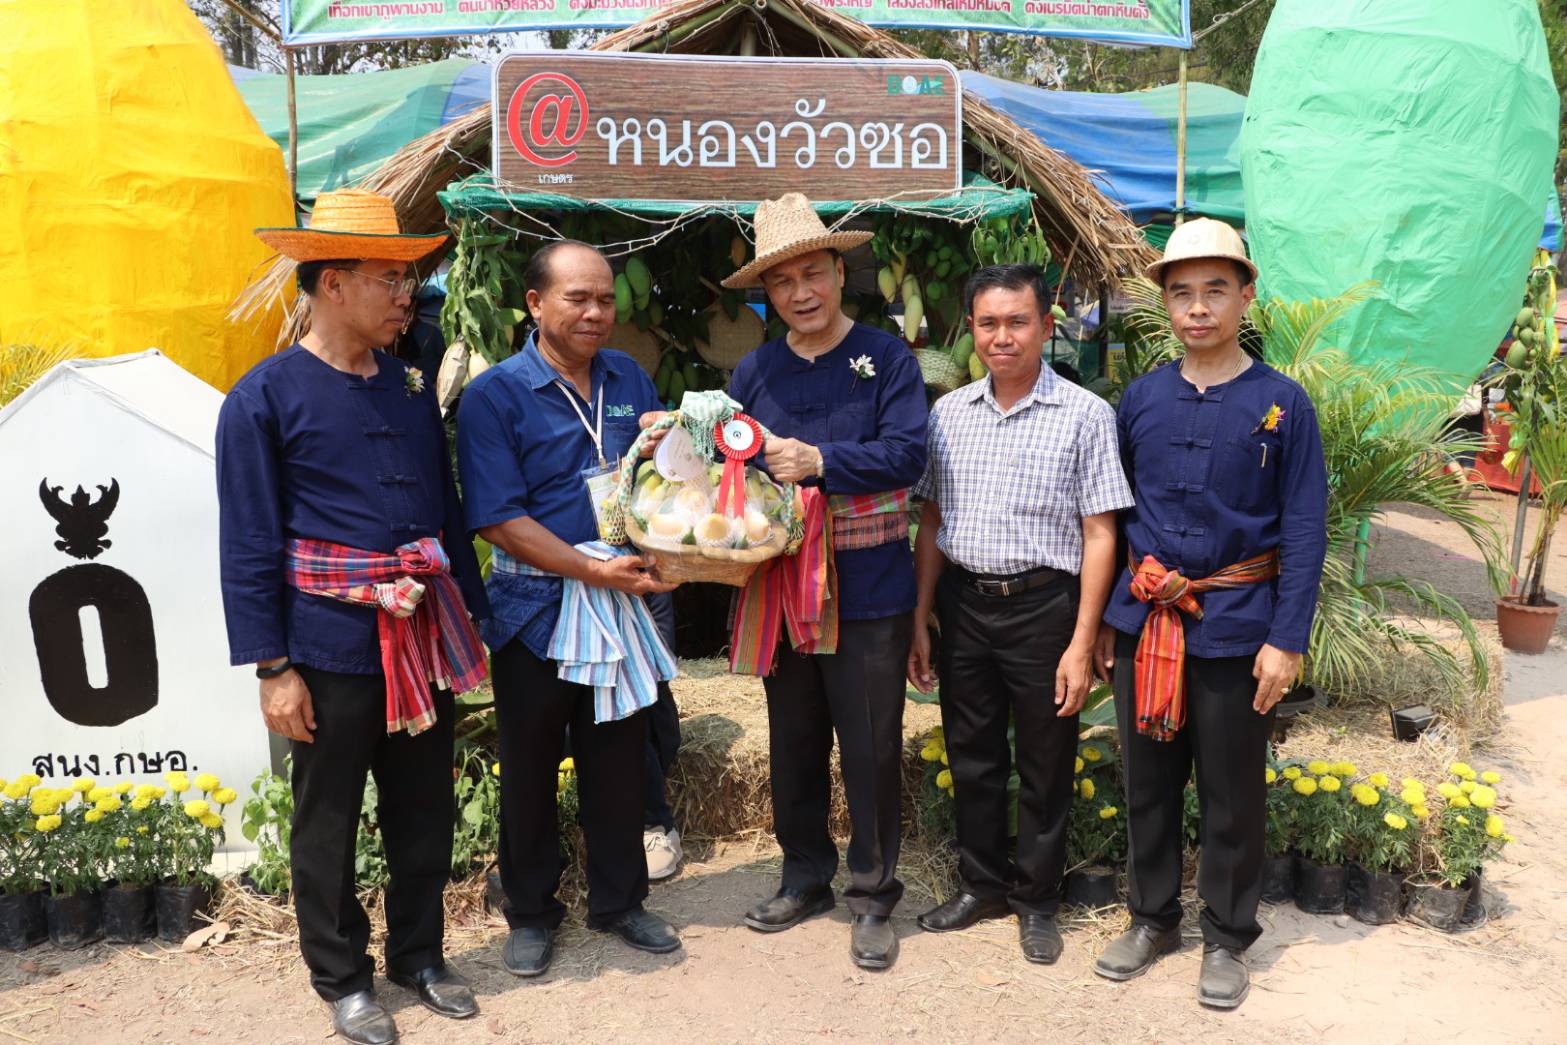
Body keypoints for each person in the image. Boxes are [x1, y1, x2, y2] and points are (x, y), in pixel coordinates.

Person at [217, 188, 489, 1045]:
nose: (407, 295)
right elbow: (249, 539)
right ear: (332, 283)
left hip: (418, 631)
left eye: (407, 279)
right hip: (327, 642)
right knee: (327, 817)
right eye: (388, 279)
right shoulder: (261, 399)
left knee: (423, 807)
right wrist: (272, 665)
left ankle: (419, 954)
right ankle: (342, 977)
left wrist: (471, 621)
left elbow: (443, 513)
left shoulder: (411, 385)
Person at [1091, 219, 1328, 1008]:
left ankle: (1227, 937)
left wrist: (1285, 639)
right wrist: (1098, 624)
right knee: (1146, 780)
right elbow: (1110, 516)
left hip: (1235, 627)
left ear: (1244, 294)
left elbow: (1303, 527)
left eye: (1214, 290)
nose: (1197, 308)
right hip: (1146, 626)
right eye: (1182, 292)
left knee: (1231, 793)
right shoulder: (1140, 399)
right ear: (1165, 303)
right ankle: (1151, 917)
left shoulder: (1282, 404)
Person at [455, 239, 682, 979]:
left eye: (605, 299)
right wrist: (592, 567)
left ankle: (619, 901)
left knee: (618, 758)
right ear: (534, 304)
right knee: (527, 764)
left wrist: (669, 549)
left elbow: (651, 484)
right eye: (577, 298)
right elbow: (496, 517)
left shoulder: (626, 375)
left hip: (616, 602)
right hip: (535, 607)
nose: (594, 313)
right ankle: (529, 910)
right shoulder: (497, 395)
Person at [722, 193, 928, 970]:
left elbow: (908, 454)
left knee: (871, 743)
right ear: (766, 295)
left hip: (869, 582)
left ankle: (872, 894)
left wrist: (820, 461)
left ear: (840, 272)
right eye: (782, 282)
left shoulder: (887, 357)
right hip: (782, 585)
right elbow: (726, 465)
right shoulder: (755, 368)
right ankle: (804, 873)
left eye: (813, 272)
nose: (800, 292)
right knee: (793, 738)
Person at [907, 264, 1132, 963]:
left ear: (1044, 325)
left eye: (1017, 321)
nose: (1001, 336)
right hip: (966, 605)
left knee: (1044, 761)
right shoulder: (947, 414)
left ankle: (1036, 898)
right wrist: (919, 616)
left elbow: (1101, 533)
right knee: (972, 757)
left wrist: (1082, 635)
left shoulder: (1085, 415)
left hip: (1045, 608)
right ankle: (981, 885)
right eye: (987, 323)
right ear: (971, 329)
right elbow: (932, 520)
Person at [642, 594, 683, 880]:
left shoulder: (642, 568)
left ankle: (655, 826)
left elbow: (660, 656)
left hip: (646, 705)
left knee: (626, 710)